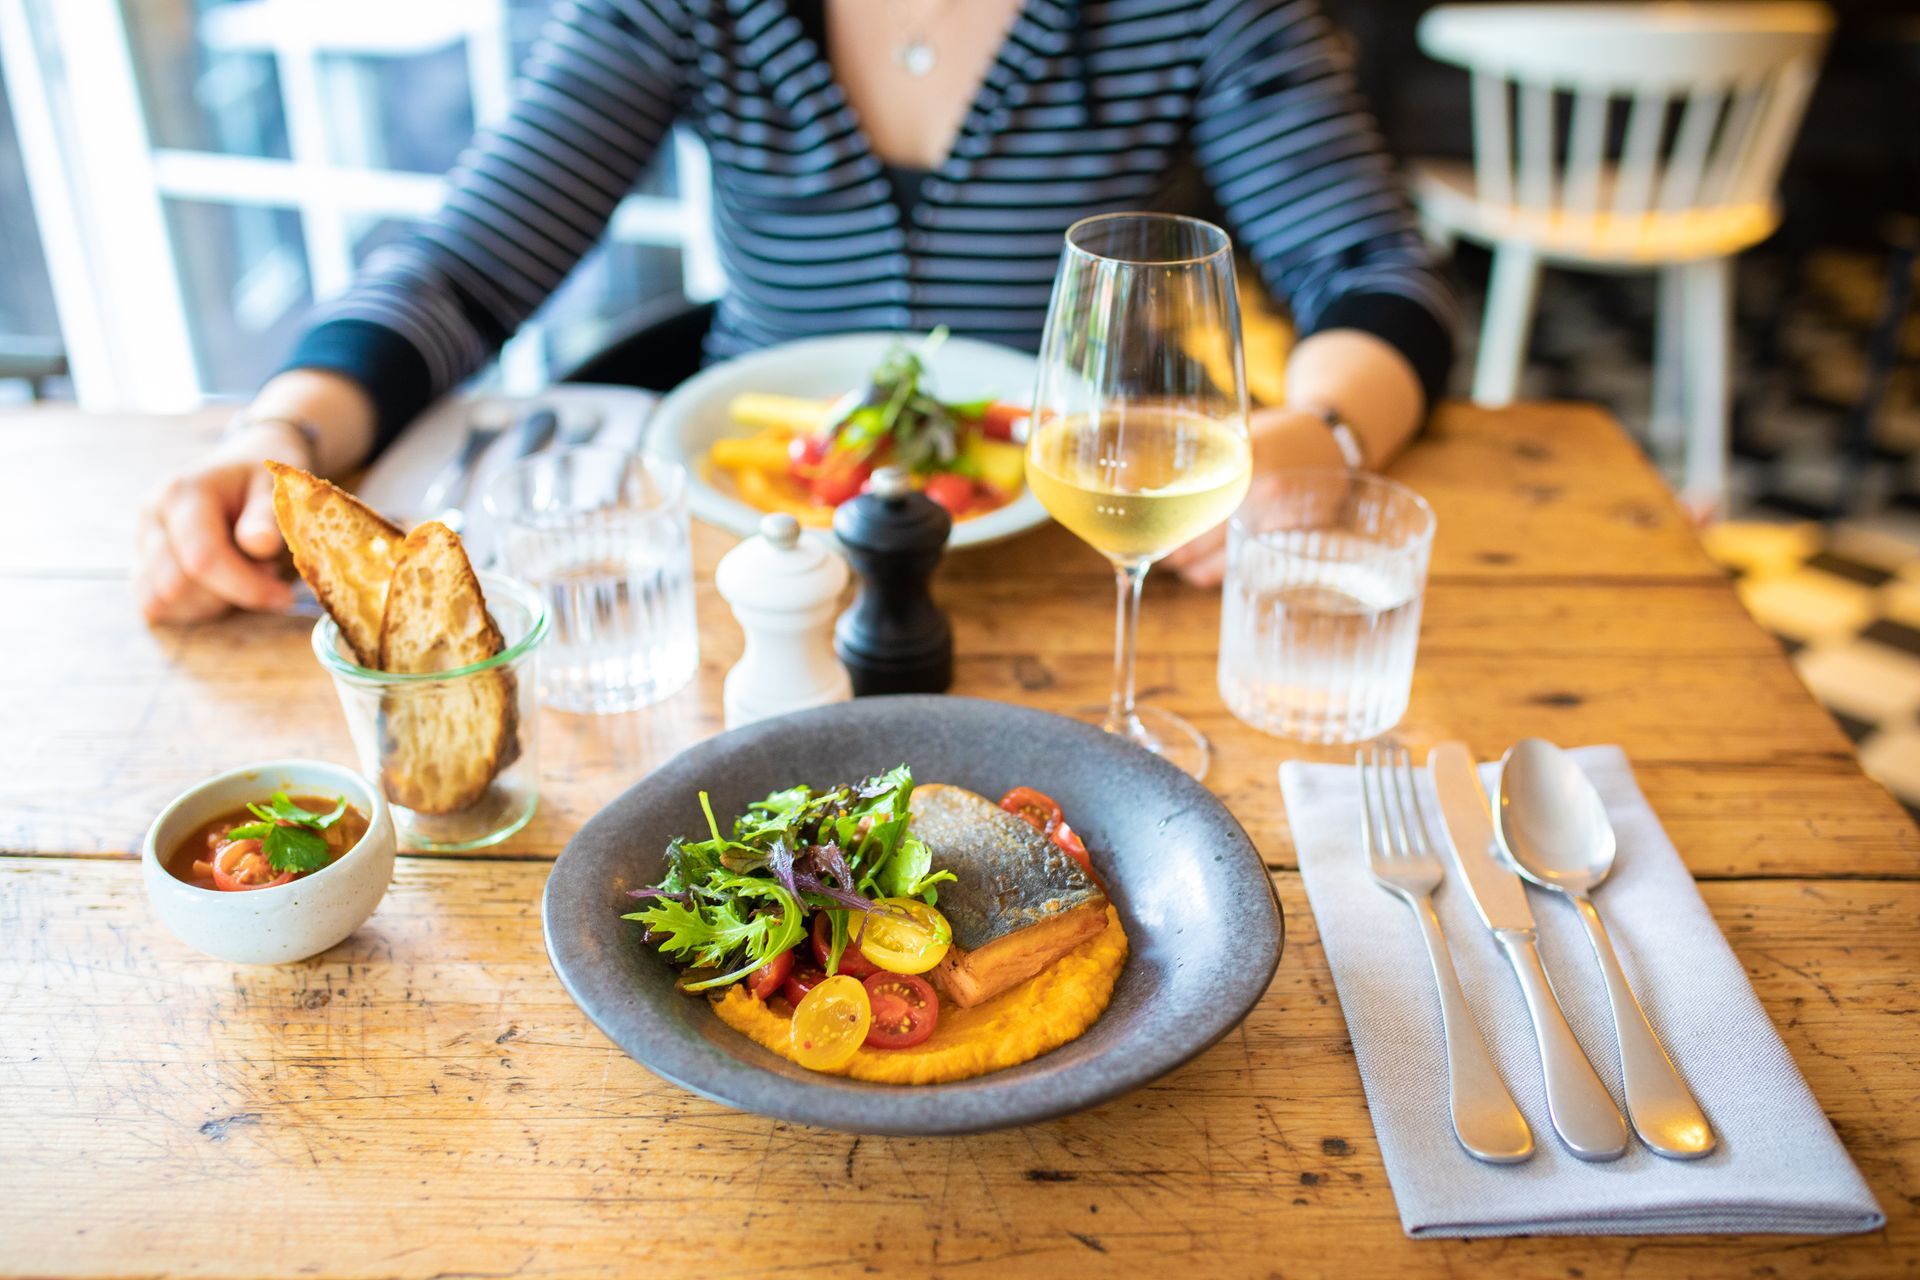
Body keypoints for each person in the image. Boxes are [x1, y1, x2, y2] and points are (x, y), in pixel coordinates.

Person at [135, 0, 1452, 621]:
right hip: (750, 577)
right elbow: (462, 269)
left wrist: (1323, 435)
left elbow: (1378, 277)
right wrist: (279, 435)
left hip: (1093, 571)